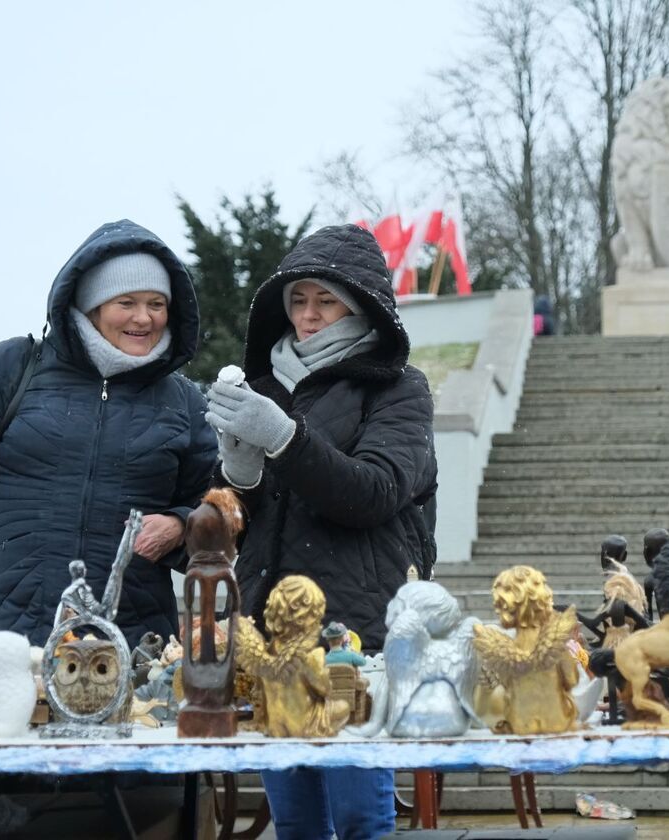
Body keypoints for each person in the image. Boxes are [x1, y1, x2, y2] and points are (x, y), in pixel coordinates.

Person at [205, 223, 437, 840]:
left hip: (354, 630)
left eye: (326, 300)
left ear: (360, 306)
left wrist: (284, 438)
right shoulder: (263, 387)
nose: (308, 315)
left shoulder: (398, 389)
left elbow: (375, 492)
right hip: (273, 625)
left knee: (361, 815)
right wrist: (237, 473)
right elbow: (237, 520)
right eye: (298, 300)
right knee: (297, 818)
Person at [0, 220, 217, 649]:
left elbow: (217, 506)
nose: (145, 318)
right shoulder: (13, 368)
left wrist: (180, 525)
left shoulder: (184, 401)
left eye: (157, 303)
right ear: (91, 305)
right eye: (126, 302)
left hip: (131, 644)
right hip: (2, 637)